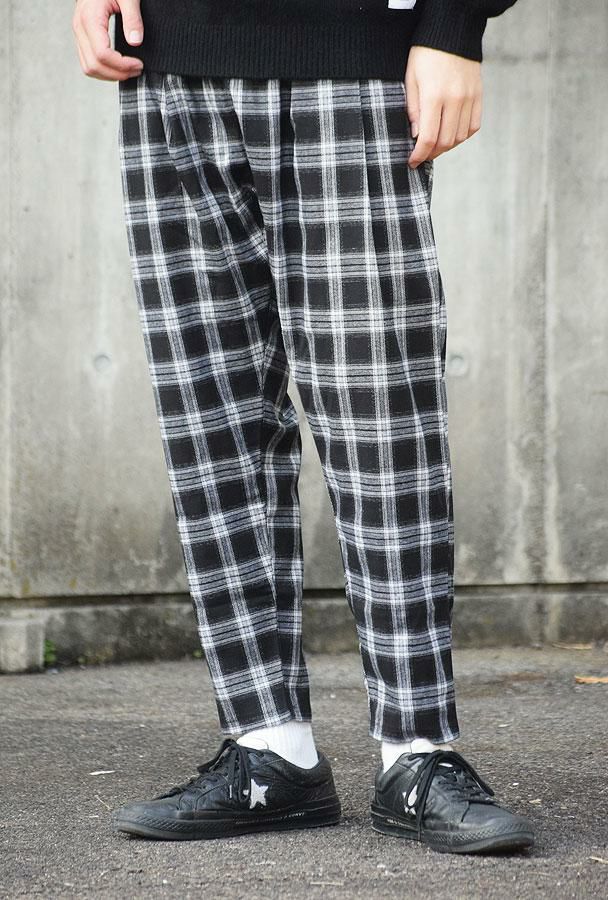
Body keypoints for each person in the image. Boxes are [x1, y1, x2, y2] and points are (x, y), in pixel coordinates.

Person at [73, 0, 534, 854]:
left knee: (382, 419)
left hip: (351, 53)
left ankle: (417, 752)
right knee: (212, 417)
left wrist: (454, 22)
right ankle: (268, 749)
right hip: (170, 63)